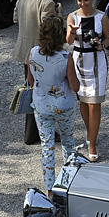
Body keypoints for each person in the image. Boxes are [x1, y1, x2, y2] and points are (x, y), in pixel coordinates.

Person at [28, 15, 79, 191]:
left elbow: (31, 81)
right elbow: (74, 86)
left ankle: (49, 188)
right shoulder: (66, 57)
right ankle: (68, 184)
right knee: (67, 142)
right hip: (64, 106)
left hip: (42, 106)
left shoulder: (33, 53)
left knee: (47, 146)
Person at [15, 0, 61, 144]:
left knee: (32, 91)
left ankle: (32, 132)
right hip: (41, 57)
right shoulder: (48, 3)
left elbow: (15, 18)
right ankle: (37, 133)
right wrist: (60, 16)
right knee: (43, 95)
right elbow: (49, 33)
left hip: (24, 51)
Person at [67, 0, 109, 161]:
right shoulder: (72, 17)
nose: (82, 4)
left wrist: (101, 45)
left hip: (97, 62)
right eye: (79, 0)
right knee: (84, 102)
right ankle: (90, 133)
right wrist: (72, 31)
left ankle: (92, 143)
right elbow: (68, 42)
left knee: (95, 104)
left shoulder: (102, 17)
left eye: (85, 0)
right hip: (79, 60)